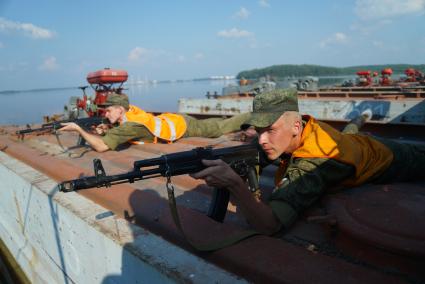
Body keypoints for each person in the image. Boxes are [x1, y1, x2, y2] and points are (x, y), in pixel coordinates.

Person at [190, 89, 425, 235]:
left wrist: (234, 184)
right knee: (351, 133)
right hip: (350, 141)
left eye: (270, 130)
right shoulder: (299, 128)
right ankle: (359, 121)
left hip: (391, 157)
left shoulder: (315, 162)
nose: (262, 140)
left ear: (295, 126)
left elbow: (269, 225)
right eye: (258, 130)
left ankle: (359, 121)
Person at [58, 93, 250, 152]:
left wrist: (77, 128)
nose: (105, 113)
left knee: (218, 128)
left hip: (182, 126)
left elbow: (100, 147)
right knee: (215, 123)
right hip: (172, 120)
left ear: (120, 109)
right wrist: (108, 126)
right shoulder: (129, 112)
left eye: (108, 110)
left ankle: (253, 115)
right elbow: (121, 126)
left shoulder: (130, 126)